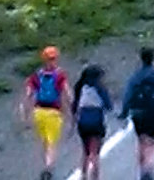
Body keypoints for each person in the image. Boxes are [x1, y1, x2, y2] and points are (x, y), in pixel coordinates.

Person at [121, 47, 154, 180]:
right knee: (153, 143)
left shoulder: (136, 76)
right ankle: (148, 169)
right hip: (153, 112)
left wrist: (124, 112)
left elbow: (128, 94)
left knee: (142, 141)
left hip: (137, 113)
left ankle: (142, 170)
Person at [23, 46, 71, 180]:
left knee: (45, 141)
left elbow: (28, 95)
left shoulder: (37, 75)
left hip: (38, 112)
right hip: (53, 112)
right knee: (52, 142)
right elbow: (66, 93)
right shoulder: (60, 75)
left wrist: (26, 114)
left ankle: (46, 163)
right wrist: (71, 109)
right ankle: (48, 167)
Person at [72, 60, 113, 180]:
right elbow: (108, 105)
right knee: (95, 153)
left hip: (82, 123)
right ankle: (95, 177)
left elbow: (74, 105)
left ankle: (83, 175)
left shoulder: (80, 87)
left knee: (85, 151)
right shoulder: (99, 88)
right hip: (96, 121)